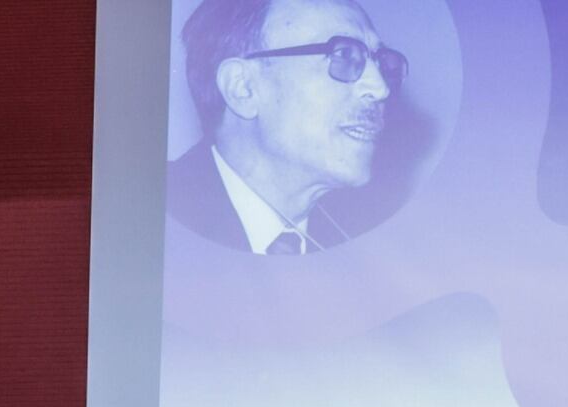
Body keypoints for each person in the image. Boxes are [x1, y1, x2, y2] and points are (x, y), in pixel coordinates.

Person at [172, 0, 402, 253]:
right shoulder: (147, 212)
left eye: (383, 62)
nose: (381, 88)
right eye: (344, 55)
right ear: (243, 88)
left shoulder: (370, 246)